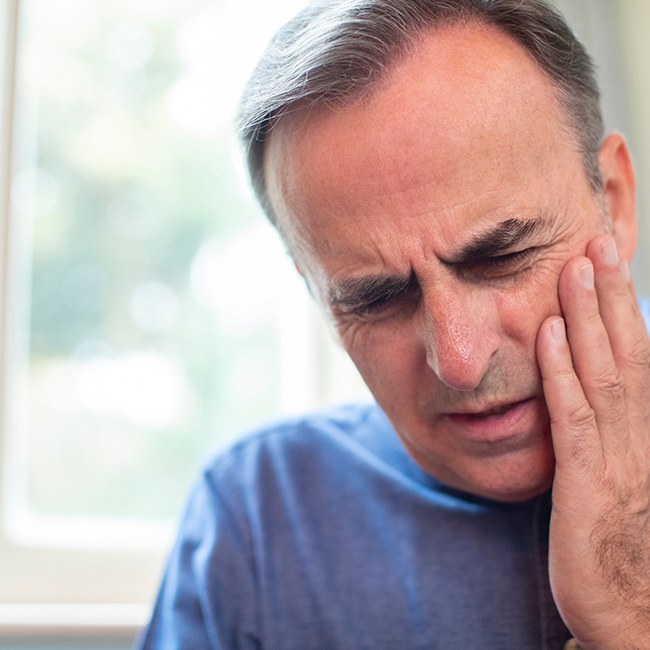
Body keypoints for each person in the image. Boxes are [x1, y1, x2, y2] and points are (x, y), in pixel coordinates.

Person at [137, 0, 650, 647]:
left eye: (501, 256)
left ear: (615, 203)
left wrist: (631, 612)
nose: (459, 360)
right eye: (375, 297)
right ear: (319, 298)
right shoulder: (255, 524)